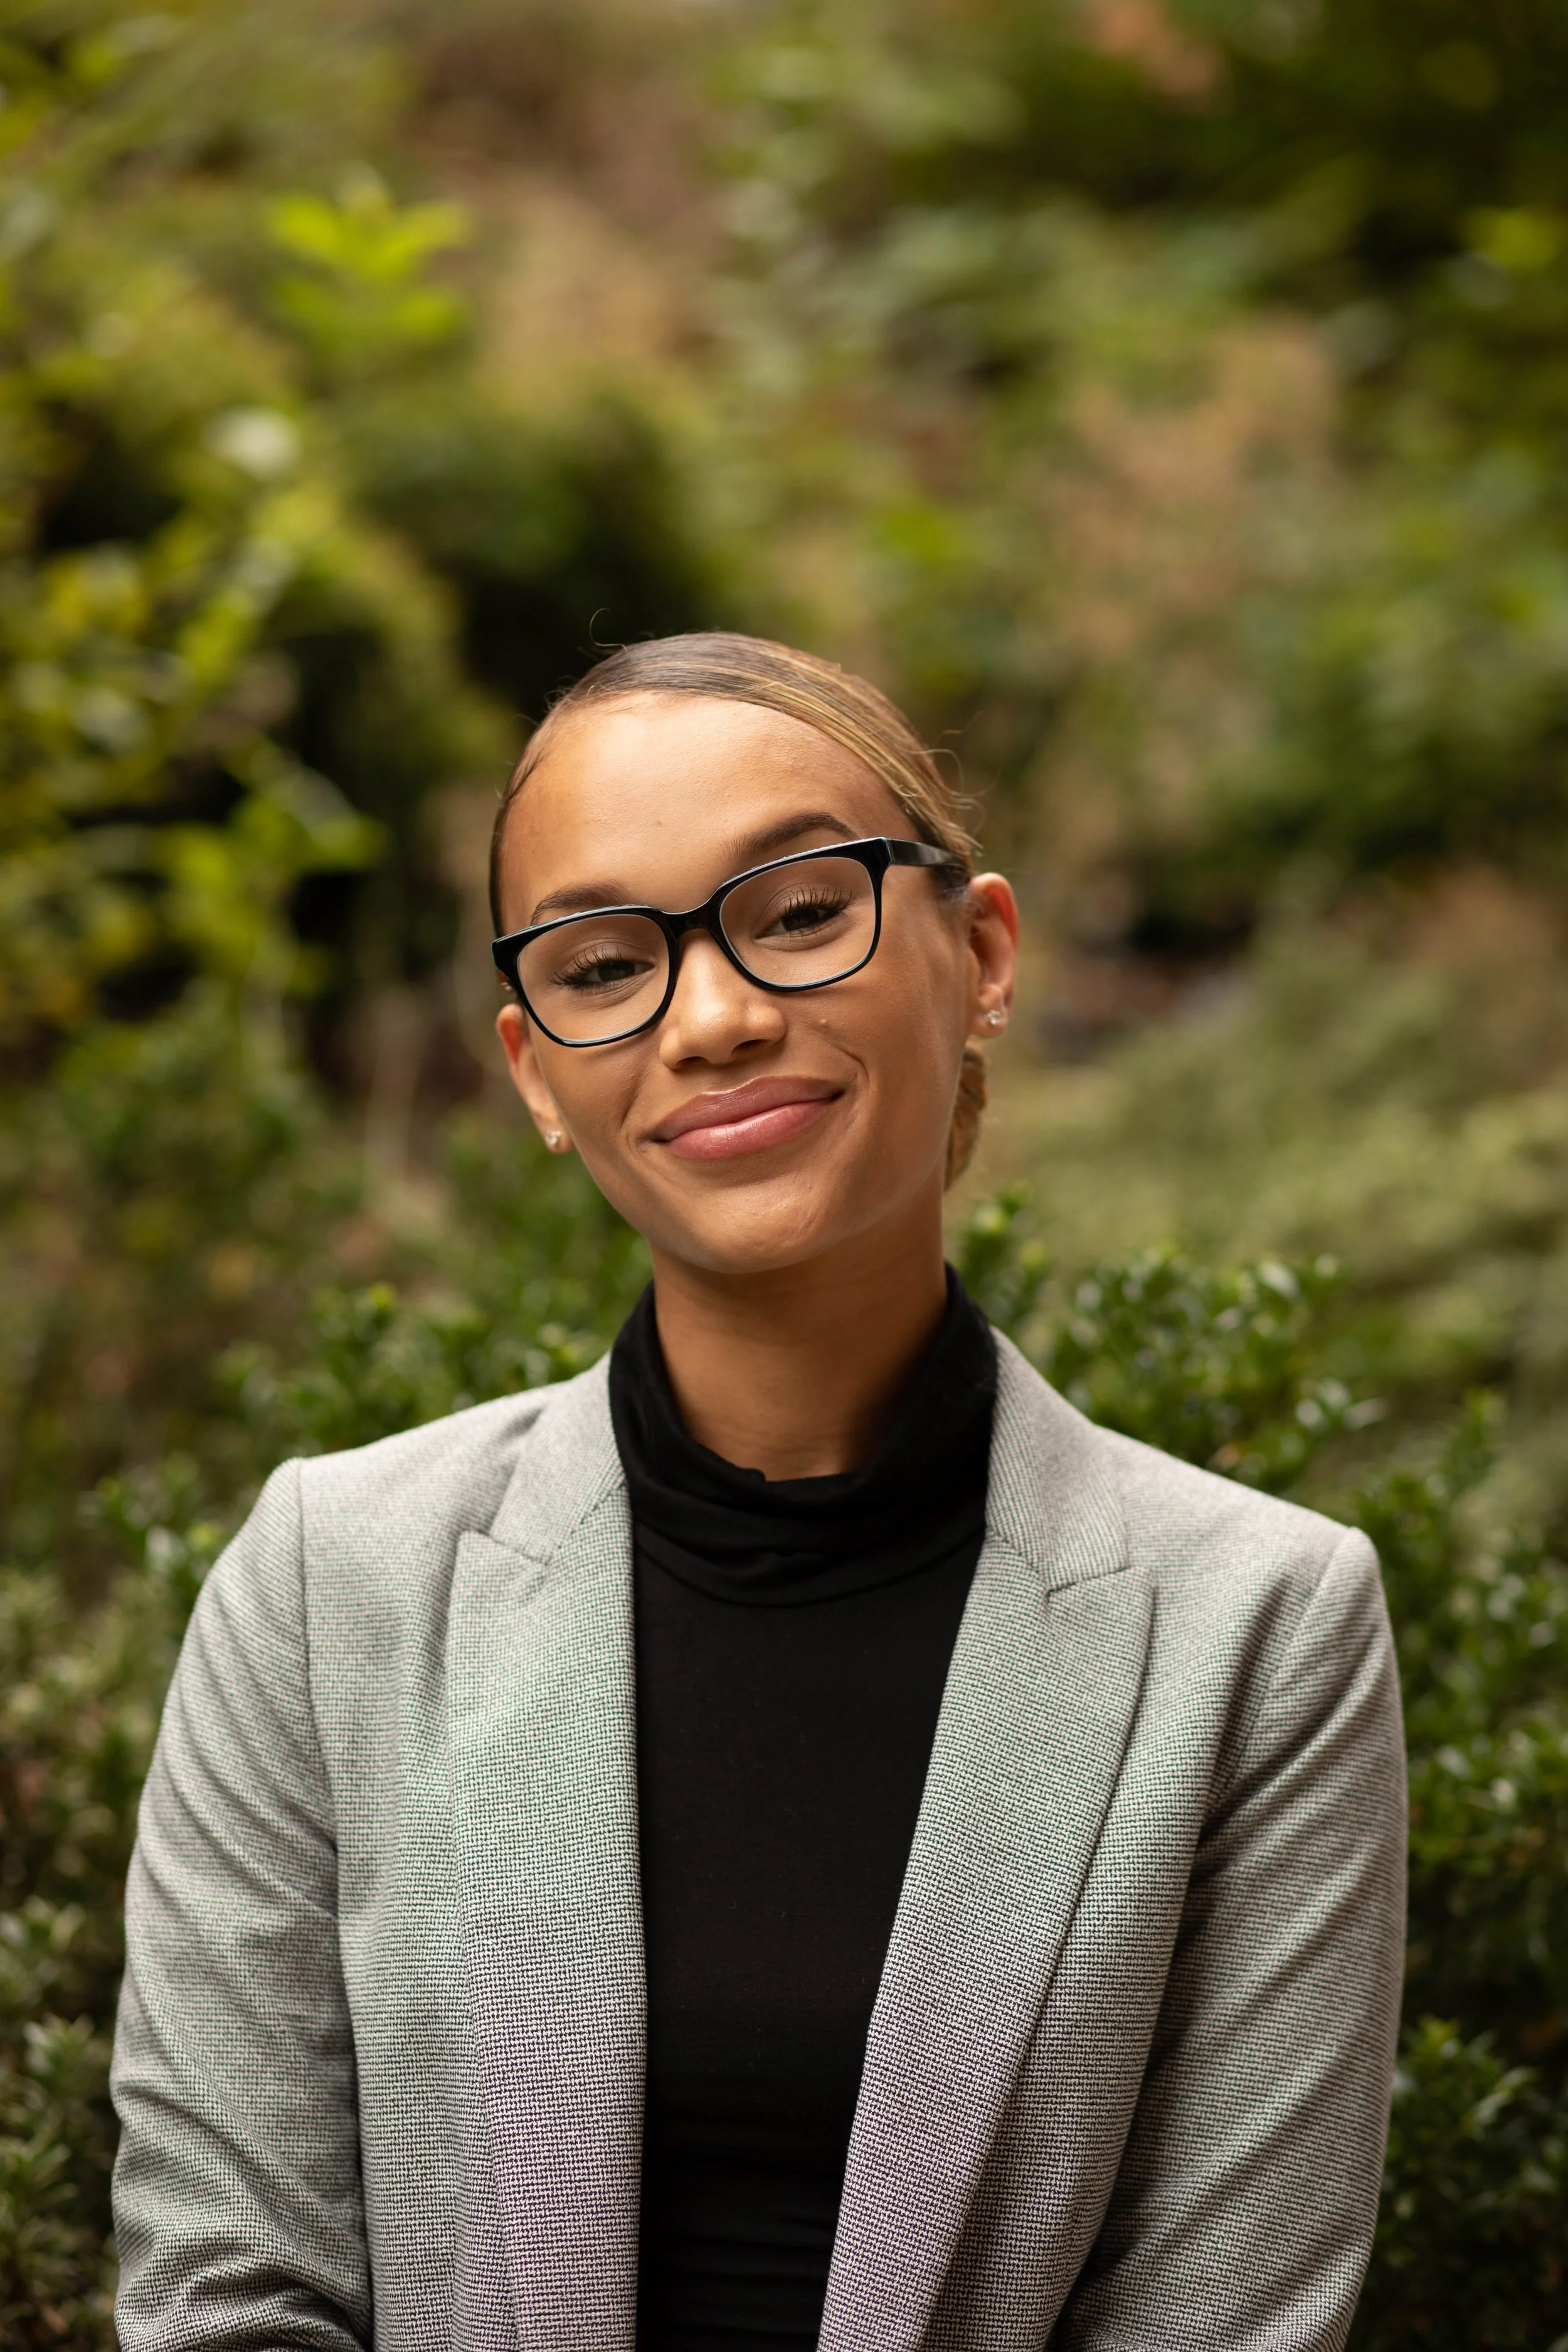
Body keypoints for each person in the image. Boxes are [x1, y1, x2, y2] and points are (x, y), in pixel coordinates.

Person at [110, 633, 1406, 2352]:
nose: (712, 1018)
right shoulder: (330, 1582)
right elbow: (221, 2286)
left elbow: (1228, 2324)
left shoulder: (1256, 1629)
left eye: (797, 910)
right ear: (532, 1070)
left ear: (983, 954)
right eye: (601, 960)